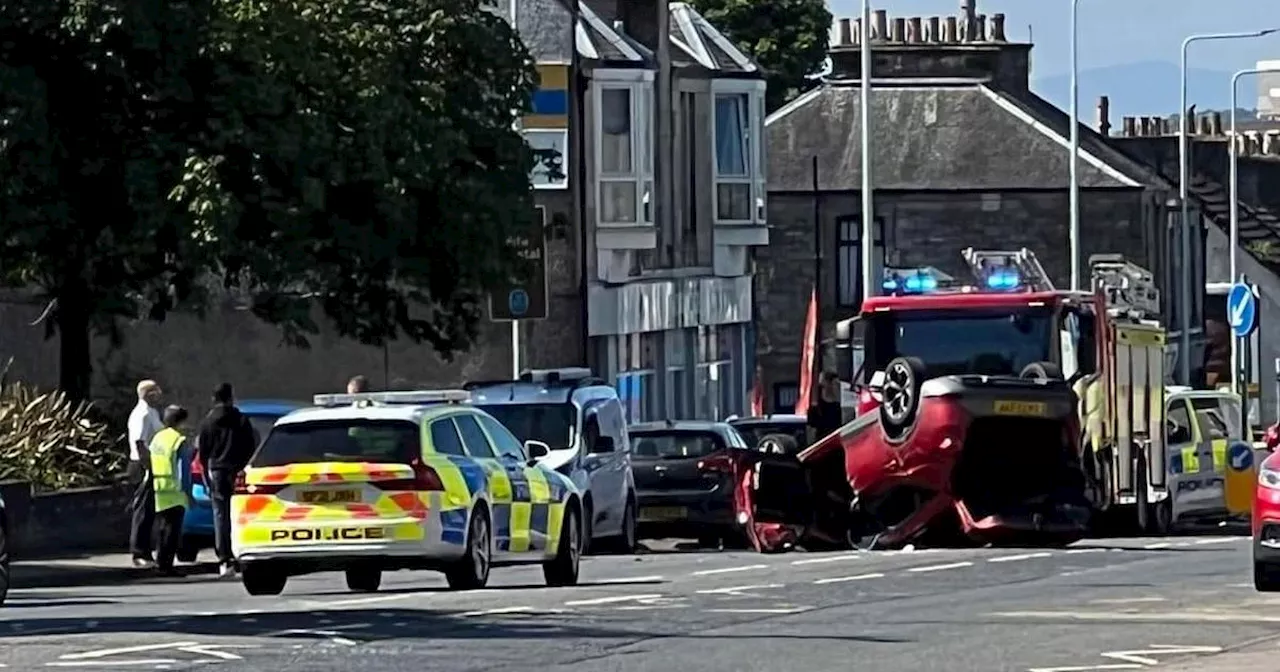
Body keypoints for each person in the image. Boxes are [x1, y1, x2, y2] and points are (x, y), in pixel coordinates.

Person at [196, 383, 257, 578]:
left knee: (220, 515)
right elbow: (251, 445)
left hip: (217, 471)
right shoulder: (241, 420)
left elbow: (203, 453)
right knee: (241, 513)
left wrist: (206, 475)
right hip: (238, 470)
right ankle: (243, 553)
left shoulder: (207, 423)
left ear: (213, 399)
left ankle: (224, 559)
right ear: (231, 397)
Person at [149, 405, 192, 576]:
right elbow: (184, 469)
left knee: (162, 528)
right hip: (175, 491)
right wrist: (187, 491)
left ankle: (160, 562)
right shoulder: (178, 440)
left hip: (159, 487)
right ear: (180, 422)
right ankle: (166, 566)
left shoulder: (157, 438)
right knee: (172, 531)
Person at [126, 380, 164, 568]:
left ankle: (147, 552)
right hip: (142, 465)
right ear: (148, 394)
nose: (159, 394)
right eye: (155, 391)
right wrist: (148, 468)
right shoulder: (141, 414)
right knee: (142, 510)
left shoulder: (153, 412)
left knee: (149, 511)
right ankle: (138, 553)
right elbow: (140, 443)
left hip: (151, 464)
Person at [807, 371, 844, 441]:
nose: (837, 387)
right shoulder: (816, 406)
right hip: (822, 443)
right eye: (835, 384)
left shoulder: (839, 406)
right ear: (828, 384)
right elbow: (811, 430)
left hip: (837, 442)